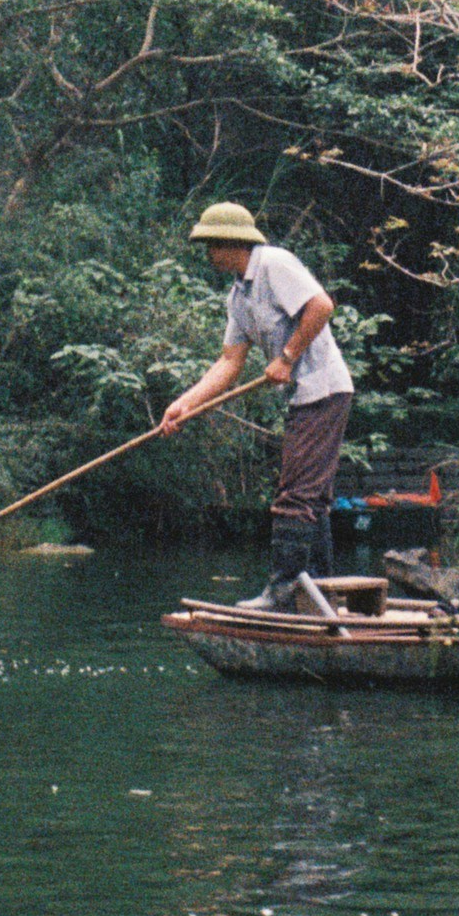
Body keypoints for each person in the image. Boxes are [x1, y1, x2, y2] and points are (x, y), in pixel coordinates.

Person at [158, 202, 354, 611]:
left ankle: (282, 594)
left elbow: (321, 305)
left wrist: (286, 357)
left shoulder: (274, 264)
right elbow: (230, 362)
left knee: (295, 495)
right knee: (312, 498)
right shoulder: (238, 296)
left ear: (233, 243)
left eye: (213, 245)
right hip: (303, 396)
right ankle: (317, 593)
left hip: (324, 388)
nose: (209, 254)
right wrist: (184, 405)